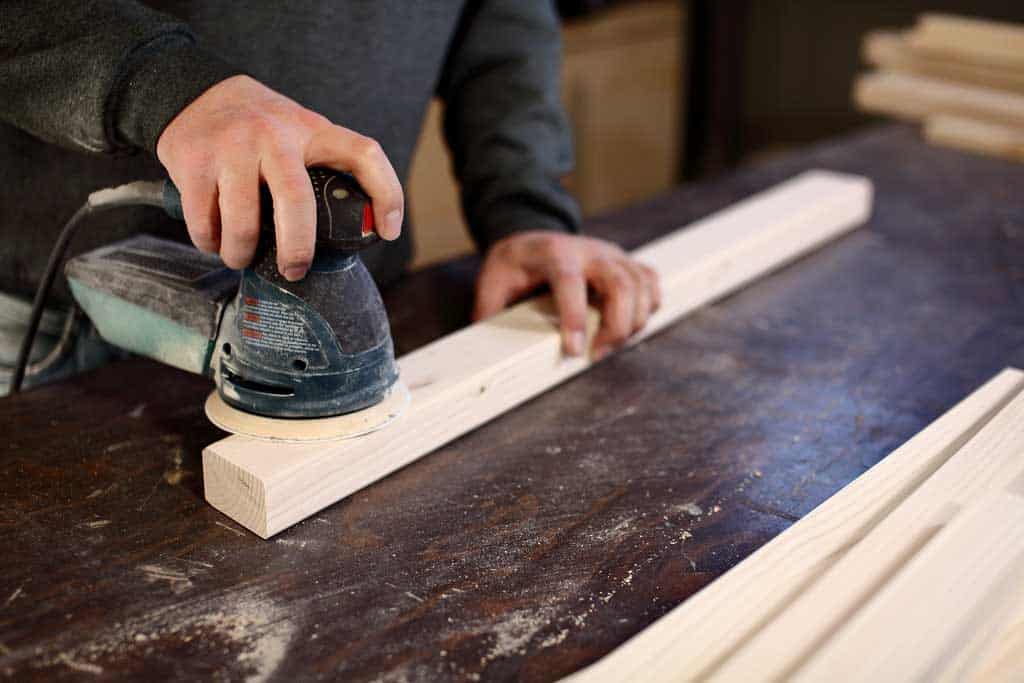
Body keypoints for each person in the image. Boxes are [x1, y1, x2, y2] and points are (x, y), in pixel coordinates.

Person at [0, 1, 661, 393]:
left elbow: (502, 18)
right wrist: (161, 86)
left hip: (335, 323)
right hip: (56, 324)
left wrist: (526, 206)